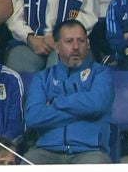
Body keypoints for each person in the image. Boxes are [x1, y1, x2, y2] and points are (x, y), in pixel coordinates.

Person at [23, 19, 114, 163]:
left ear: (87, 44)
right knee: (26, 167)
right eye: (69, 41)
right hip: (47, 151)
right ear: (57, 47)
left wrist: (56, 102)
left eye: (81, 41)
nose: (76, 46)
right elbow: (33, 117)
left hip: (90, 151)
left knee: (98, 167)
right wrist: (84, 112)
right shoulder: (42, 78)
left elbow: (97, 104)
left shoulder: (101, 73)